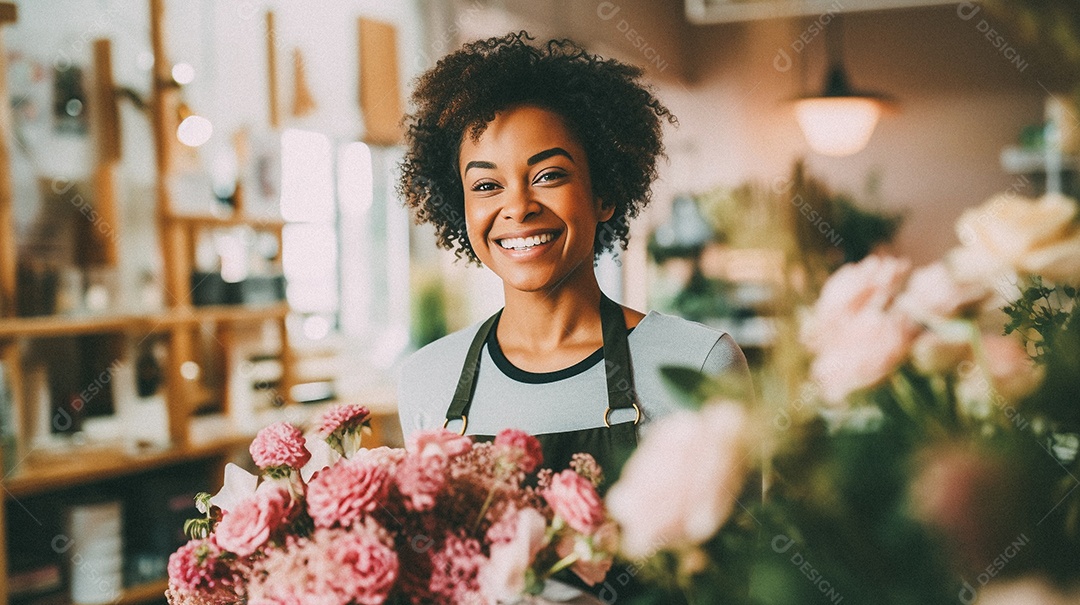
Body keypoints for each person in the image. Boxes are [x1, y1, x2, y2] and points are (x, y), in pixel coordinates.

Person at [396, 31, 751, 482]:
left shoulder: (699, 363)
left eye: (548, 175)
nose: (519, 206)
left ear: (603, 193)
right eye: (486, 185)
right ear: (460, 206)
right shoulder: (427, 380)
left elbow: (747, 549)